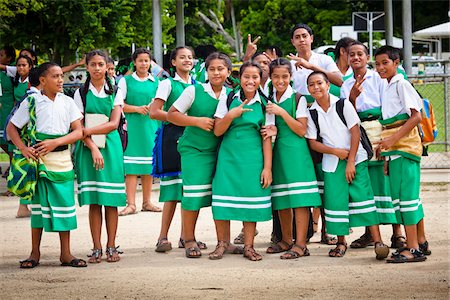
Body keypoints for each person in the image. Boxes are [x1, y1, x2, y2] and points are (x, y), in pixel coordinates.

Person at [7, 62, 85, 268]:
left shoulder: (68, 102)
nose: (61, 80)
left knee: (65, 205)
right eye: (55, 76)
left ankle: (66, 253)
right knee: (40, 207)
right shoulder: (32, 101)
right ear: (42, 80)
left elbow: (78, 132)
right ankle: (34, 253)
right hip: (38, 161)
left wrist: (56, 142)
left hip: (62, 160)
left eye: (61, 76)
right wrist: (24, 149)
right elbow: (11, 128)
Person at [306, 71, 389, 259]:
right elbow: (313, 143)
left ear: (328, 85)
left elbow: (355, 132)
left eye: (320, 83)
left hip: (356, 158)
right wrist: (335, 152)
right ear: (308, 89)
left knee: (364, 196)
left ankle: (378, 241)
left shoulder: (342, 104)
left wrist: (351, 160)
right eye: (311, 85)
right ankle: (342, 242)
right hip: (332, 162)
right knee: (336, 201)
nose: (316, 87)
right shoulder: (312, 112)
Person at [167, 52, 242, 259]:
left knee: (221, 196)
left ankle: (224, 242)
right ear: (206, 71)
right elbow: (172, 114)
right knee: (193, 195)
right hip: (195, 150)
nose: (216, 72)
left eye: (221, 69)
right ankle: (189, 239)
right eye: (212, 69)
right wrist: (196, 121)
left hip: (221, 151)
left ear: (228, 71)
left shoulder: (233, 94)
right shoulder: (194, 90)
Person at [340, 41, 403, 250]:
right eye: (352, 55)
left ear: (367, 58)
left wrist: (387, 133)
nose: (356, 58)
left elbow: (388, 107)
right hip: (359, 131)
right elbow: (346, 113)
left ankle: (397, 233)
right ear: (347, 58)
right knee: (367, 181)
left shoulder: (379, 78)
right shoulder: (346, 84)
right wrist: (352, 98)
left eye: (360, 54)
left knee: (386, 180)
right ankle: (369, 232)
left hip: (380, 128)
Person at [212, 61, 274, 261]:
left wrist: (267, 168)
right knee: (222, 200)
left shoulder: (266, 104)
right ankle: (222, 244)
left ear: (260, 80)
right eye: (246, 76)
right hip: (228, 157)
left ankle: (249, 246)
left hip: (253, 159)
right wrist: (231, 114)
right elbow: (218, 130)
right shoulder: (228, 98)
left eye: (255, 77)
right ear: (239, 78)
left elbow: (267, 138)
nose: (250, 81)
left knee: (251, 201)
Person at [374, 45, 430, 263]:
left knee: (406, 199)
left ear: (396, 63)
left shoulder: (401, 84)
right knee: (403, 199)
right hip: (395, 150)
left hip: (405, 148)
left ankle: (413, 248)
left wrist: (391, 140)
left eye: (385, 63)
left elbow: (416, 117)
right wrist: (388, 150)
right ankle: (419, 242)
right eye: (377, 64)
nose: (380, 67)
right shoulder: (387, 86)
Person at [288, 23, 343, 245]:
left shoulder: (324, 60)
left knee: (325, 173)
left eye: (305, 36)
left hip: (325, 118)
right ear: (292, 41)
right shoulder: (289, 64)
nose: (301, 40)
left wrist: (310, 67)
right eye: (297, 37)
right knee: (308, 174)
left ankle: (327, 228)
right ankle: (310, 226)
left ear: (311, 38)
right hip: (301, 118)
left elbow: (339, 81)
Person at [264, 58, 321, 259]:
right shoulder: (267, 98)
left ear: (291, 77)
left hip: (297, 153)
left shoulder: (298, 98)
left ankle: (301, 244)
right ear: (270, 77)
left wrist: (281, 112)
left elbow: (301, 129)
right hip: (277, 153)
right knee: (282, 198)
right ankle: (286, 240)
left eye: (285, 77)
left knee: (300, 200)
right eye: (276, 76)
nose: (280, 81)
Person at [73, 50, 126, 263]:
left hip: (111, 148)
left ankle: (111, 245)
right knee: (95, 200)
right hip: (87, 149)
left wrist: (87, 131)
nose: (96, 68)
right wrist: (92, 145)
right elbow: (77, 126)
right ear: (86, 67)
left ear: (107, 67)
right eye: (92, 64)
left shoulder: (115, 91)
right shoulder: (80, 93)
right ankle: (96, 247)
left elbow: (114, 124)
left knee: (111, 200)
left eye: (100, 64)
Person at [149, 46, 197, 252]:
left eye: (190, 57)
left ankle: (186, 236)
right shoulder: (167, 84)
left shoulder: (198, 85)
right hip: (171, 139)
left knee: (190, 190)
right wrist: (178, 117)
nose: (187, 60)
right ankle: (162, 237)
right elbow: (153, 112)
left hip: (193, 139)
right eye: (182, 57)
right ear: (173, 62)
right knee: (171, 191)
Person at [118, 48, 161, 216]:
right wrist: (136, 108)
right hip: (132, 128)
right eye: (141, 60)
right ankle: (131, 204)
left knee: (148, 165)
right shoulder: (126, 81)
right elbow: (118, 104)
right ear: (134, 62)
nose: (144, 63)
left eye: (147, 60)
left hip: (151, 127)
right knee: (131, 167)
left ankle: (147, 202)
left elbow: (161, 104)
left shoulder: (156, 82)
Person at [0, 46, 16, 181]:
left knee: (8, 139)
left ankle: (13, 166)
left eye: (1, 55)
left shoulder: (12, 71)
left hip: (8, 108)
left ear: (9, 58)